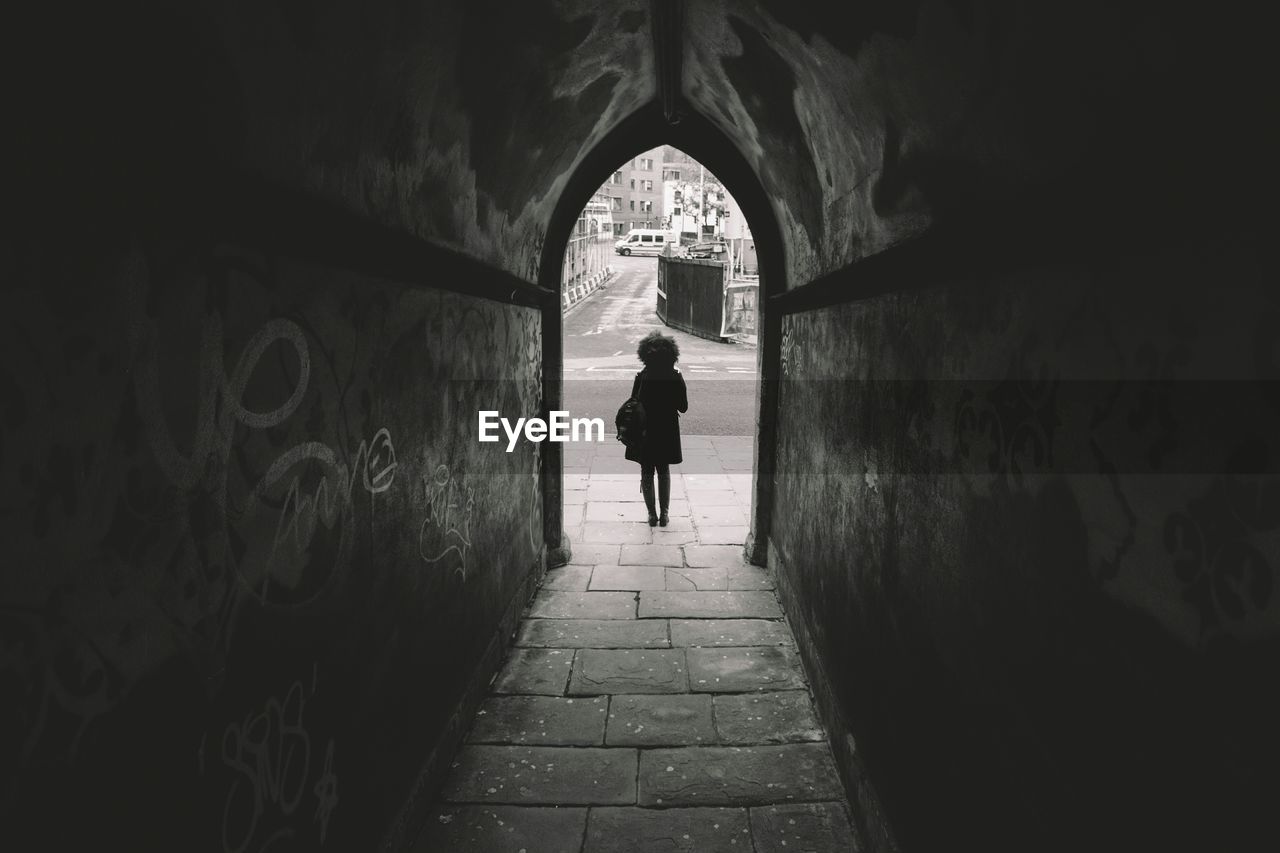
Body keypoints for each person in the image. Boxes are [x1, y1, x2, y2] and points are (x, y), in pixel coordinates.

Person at [625, 331, 688, 526]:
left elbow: (633, 403)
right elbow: (683, 407)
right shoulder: (675, 376)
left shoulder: (641, 376)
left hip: (645, 431)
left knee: (646, 470)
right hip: (666, 429)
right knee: (663, 470)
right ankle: (665, 514)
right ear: (671, 354)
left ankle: (651, 514)